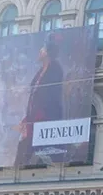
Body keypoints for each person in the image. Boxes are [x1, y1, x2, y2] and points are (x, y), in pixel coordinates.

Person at [15, 34, 65, 167]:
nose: (39, 51)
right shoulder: (40, 71)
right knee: (24, 148)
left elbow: (51, 97)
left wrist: (37, 118)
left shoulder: (55, 69)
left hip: (45, 119)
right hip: (34, 118)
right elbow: (34, 96)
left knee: (37, 150)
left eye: (42, 49)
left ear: (48, 53)